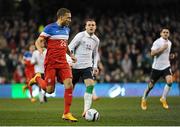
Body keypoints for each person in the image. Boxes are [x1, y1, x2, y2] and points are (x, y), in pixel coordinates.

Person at [28, 8, 77, 122]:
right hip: (51, 62)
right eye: (68, 17)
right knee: (50, 90)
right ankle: (38, 78)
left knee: (69, 84)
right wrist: (40, 48)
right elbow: (38, 41)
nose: (70, 20)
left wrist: (71, 54)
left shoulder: (67, 30)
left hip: (63, 62)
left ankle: (66, 113)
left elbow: (65, 45)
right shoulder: (49, 28)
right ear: (61, 17)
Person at [68, 18, 100, 117]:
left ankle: (86, 110)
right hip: (75, 66)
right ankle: (66, 111)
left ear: (95, 27)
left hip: (87, 67)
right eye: (89, 25)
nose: (91, 26)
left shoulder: (96, 40)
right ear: (86, 27)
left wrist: (95, 66)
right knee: (69, 88)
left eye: (93, 25)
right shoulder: (80, 36)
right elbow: (70, 47)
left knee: (90, 85)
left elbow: (95, 54)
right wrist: (71, 58)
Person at [141, 28, 173, 110]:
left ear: (169, 34)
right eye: (164, 32)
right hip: (157, 68)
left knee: (170, 81)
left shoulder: (169, 43)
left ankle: (163, 98)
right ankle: (144, 99)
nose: (165, 33)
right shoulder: (157, 42)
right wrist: (162, 48)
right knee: (150, 86)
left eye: (167, 32)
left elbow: (165, 55)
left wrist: (170, 56)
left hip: (166, 66)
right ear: (161, 34)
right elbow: (152, 53)